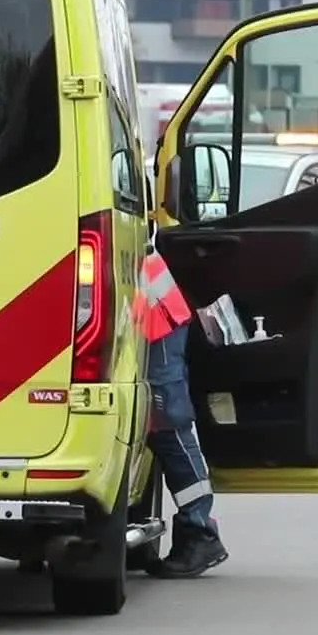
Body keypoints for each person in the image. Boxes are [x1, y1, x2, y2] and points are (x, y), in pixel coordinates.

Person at [137, 238, 230, 577]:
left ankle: (200, 529)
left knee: (167, 423)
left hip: (154, 318)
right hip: (150, 313)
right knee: (156, 422)